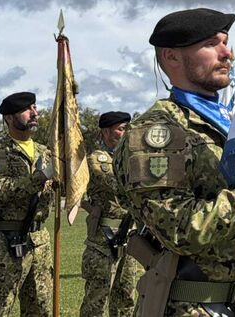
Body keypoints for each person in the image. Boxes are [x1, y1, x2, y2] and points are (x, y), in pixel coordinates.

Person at [113, 8, 235, 316]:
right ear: (172, 57)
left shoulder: (230, 126)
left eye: (226, 42)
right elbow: (181, 229)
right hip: (187, 306)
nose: (227, 53)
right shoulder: (157, 132)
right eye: (211, 44)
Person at [0, 92, 55, 317]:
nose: (35, 113)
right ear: (9, 118)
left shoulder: (45, 152)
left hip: (39, 240)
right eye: (27, 109)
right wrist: (41, 177)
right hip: (8, 242)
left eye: (35, 107)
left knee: (40, 309)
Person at [79, 111, 142, 317]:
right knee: (96, 300)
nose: (126, 133)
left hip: (129, 235)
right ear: (106, 132)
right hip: (103, 239)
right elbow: (117, 185)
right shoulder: (97, 159)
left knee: (125, 297)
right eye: (121, 129)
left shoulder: (130, 158)